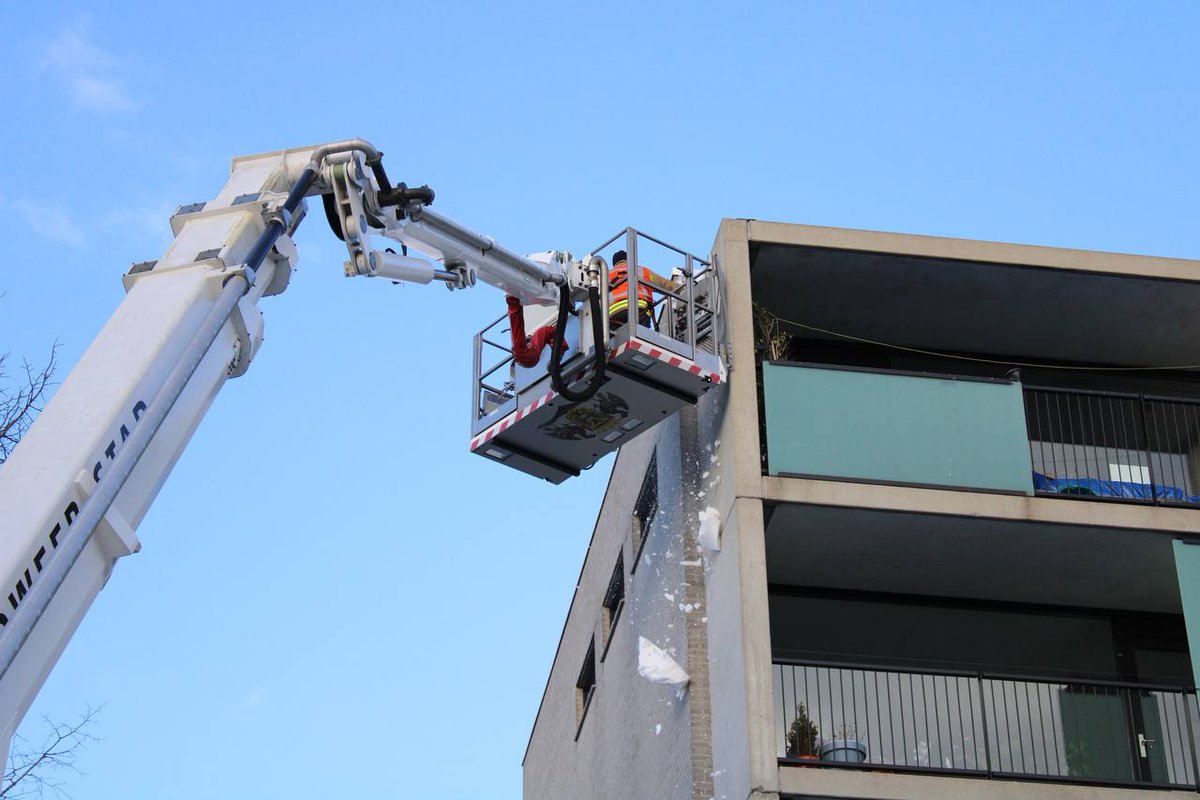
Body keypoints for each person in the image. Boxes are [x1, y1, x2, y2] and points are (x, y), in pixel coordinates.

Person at [608, 249, 677, 330]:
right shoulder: (641, 271)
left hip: (613, 315)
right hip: (639, 310)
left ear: (614, 264)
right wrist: (685, 287)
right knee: (641, 339)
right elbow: (665, 285)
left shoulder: (606, 275)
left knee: (615, 341)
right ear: (628, 260)